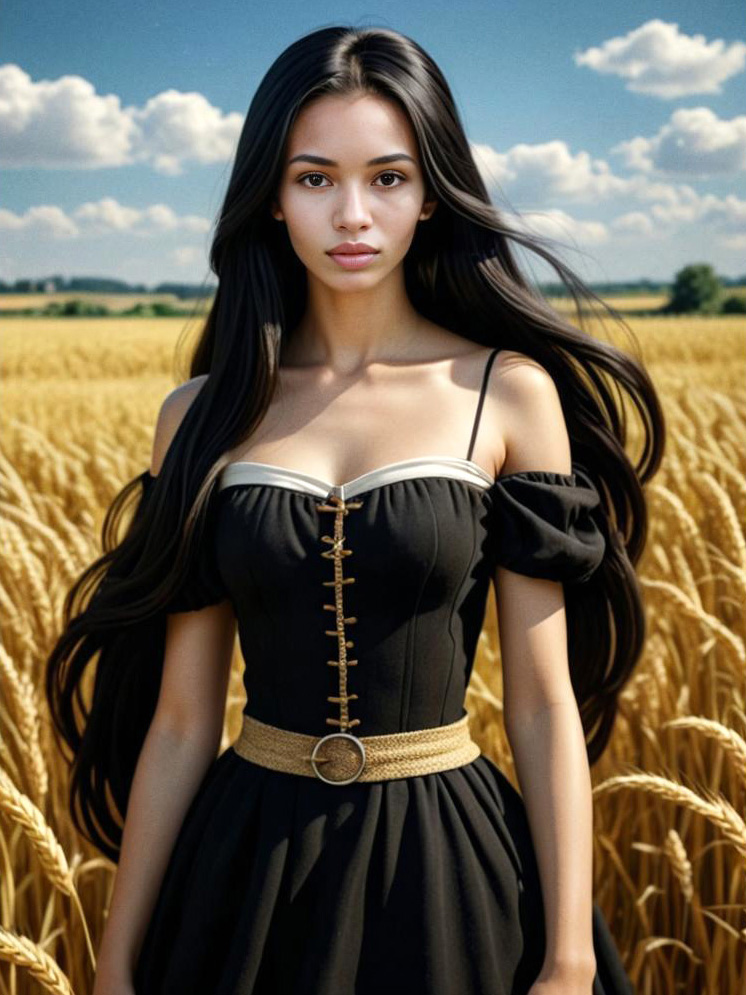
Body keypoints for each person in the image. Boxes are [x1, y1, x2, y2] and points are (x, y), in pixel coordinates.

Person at [45, 24, 664, 995]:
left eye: (386, 177)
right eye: (313, 178)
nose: (352, 215)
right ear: (271, 198)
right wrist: (117, 958)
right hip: (244, 868)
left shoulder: (508, 393)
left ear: (429, 196)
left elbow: (541, 705)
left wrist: (568, 955)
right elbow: (180, 718)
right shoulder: (200, 416)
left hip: (450, 863)